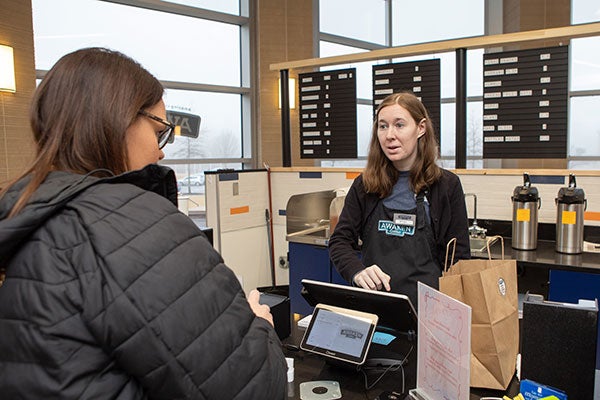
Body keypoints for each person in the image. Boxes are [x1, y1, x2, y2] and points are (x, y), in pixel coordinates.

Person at [0, 47, 286, 399]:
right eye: (158, 131)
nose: (162, 150)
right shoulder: (130, 228)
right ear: (118, 120)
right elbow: (253, 387)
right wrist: (259, 326)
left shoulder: (32, 219)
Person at [328, 92, 470, 306]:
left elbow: (458, 260)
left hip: (428, 311)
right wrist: (357, 272)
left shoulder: (446, 186)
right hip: (373, 308)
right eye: (383, 126)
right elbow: (339, 242)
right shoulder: (365, 185)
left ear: (420, 128)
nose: (389, 135)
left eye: (399, 125)